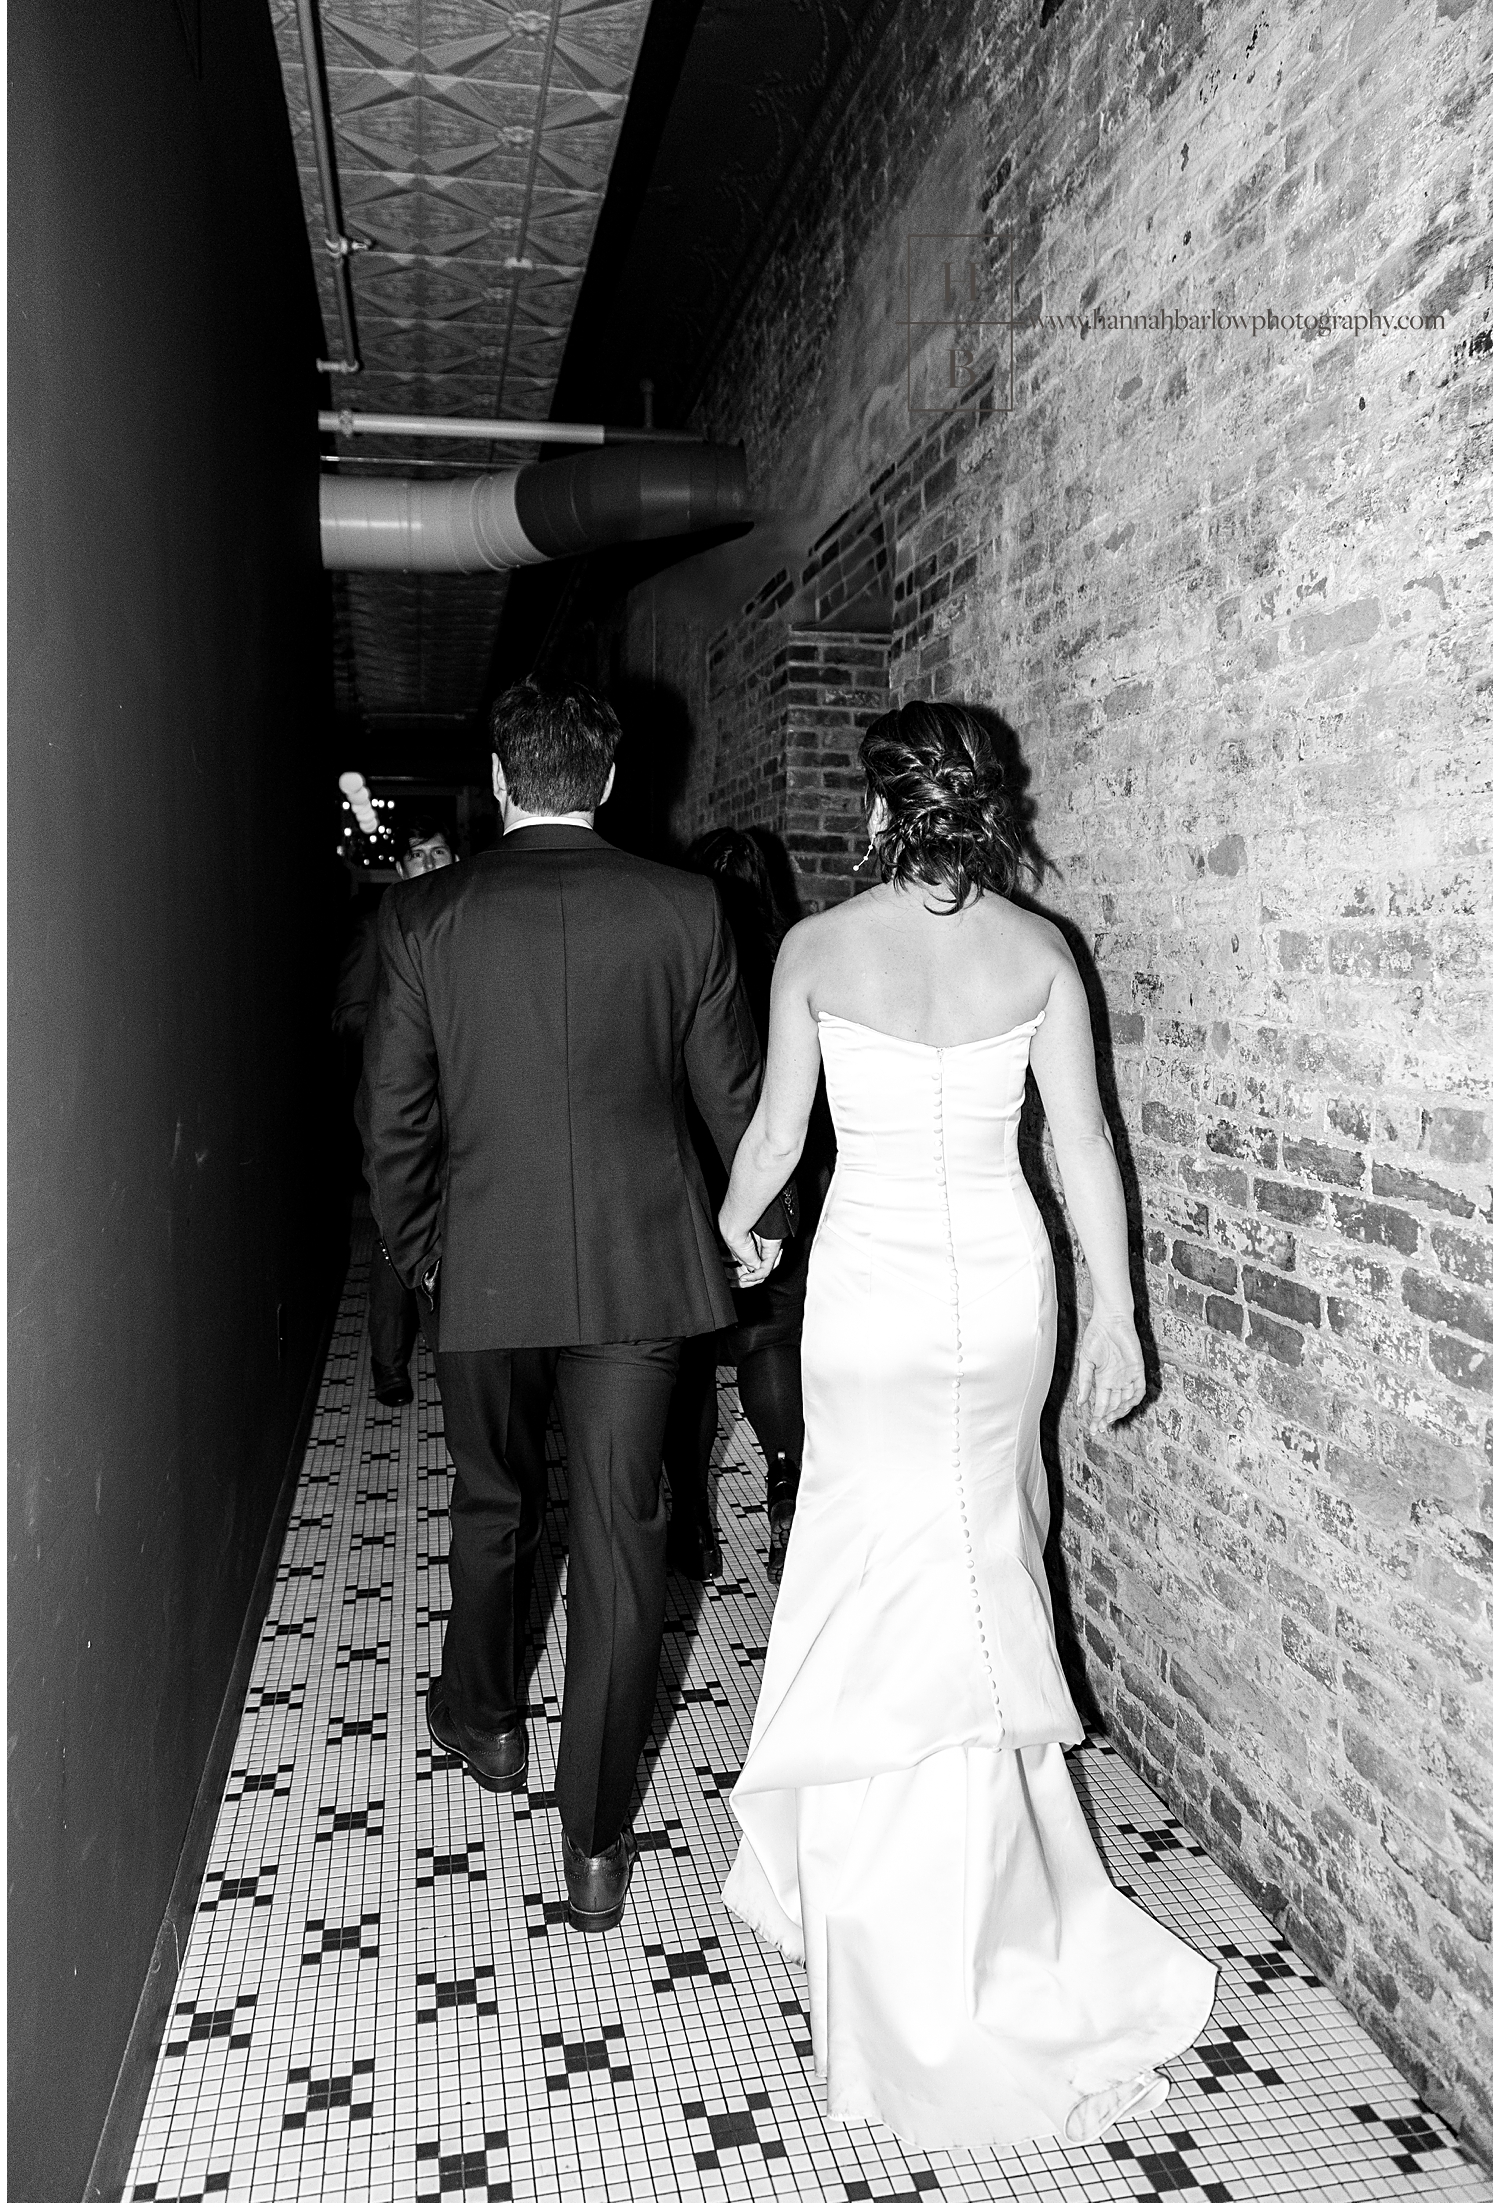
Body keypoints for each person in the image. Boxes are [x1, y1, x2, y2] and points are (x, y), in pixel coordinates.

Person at [715, 701, 1217, 2148]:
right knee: (985, 1549)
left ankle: (886, 1887)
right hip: (1004, 1294)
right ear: (984, 809)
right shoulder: (1038, 952)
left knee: (877, 1560)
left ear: (878, 812)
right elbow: (1083, 1147)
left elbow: (773, 1140)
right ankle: (992, 1884)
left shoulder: (816, 948)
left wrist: (740, 1229)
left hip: (868, 1296)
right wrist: (1116, 1313)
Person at [359, 680, 790, 1933]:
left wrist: (424, 1249)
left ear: (501, 782)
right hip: (637, 1268)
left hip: (481, 1267)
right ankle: (595, 1837)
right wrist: (755, 1230)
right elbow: (738, 1099)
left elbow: (393, 1117)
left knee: (495, 1498)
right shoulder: (684, 906)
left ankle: (486, 1717)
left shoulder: (423, 914)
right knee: (621, 1538)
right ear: (605, 782)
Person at [661, 829, 833, 1584]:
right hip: (782, 1180)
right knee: (771, 1341)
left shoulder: (685, 958)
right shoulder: (793, 958)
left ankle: (693, 1522)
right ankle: (788, 1484)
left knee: (691, 1356)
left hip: (691, 1176)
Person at [334, 819, 457, 1406]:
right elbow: (349, 1014)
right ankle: (389, 1360)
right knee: (395, 1228)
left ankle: (457, 1346)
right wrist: (405, 1034)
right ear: (400, 870)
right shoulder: (375, 926)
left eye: (440, 853)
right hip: (397, 1107)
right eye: (419, 858)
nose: (431, 866)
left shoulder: (470, 920)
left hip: (462, 1107)